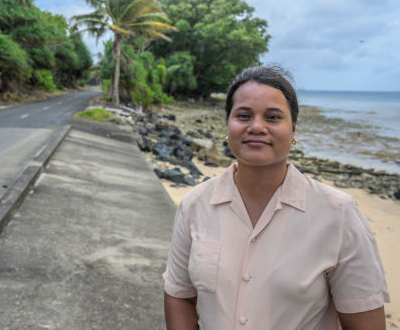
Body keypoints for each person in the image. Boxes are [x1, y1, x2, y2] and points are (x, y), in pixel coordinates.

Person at [163, 66, 390, 330]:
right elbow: (179, 295)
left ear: (293, 129)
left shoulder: (337, 214)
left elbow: (365, 322)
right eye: (244, 115)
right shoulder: (195, 205)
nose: (257, 127)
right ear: (228, 124)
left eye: (273, 117)